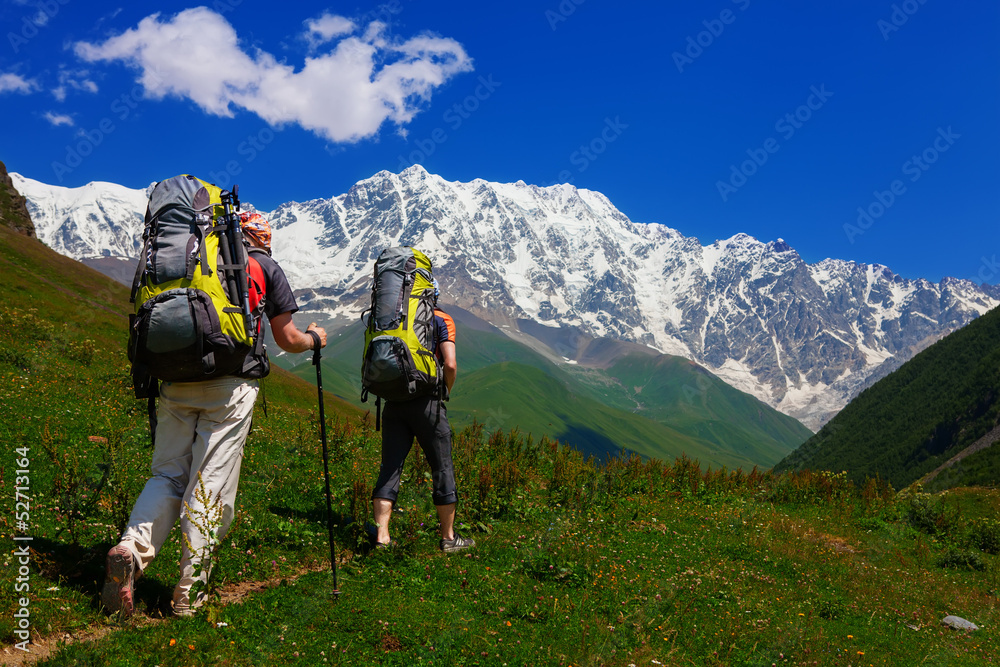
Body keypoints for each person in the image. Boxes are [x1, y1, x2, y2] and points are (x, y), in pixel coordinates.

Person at [102, 211, 327, 617]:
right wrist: (314, 339)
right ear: (264, 238)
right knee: (211, 484)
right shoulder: (262, 265)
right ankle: (190, 595)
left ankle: (129, 551)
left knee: (167, 474)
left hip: (174, 381)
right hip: (230, 385)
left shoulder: (187, 262)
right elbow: (287, 338)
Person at [371, 278, 475, 552]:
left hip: (394, 400)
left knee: (390, 468)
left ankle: (382, 537)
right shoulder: (441, 320)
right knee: (441, 468)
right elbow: (450, 364)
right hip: (428, 402)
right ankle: (449, 538)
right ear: (434, 295)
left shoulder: (392, 319)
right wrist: (445, 391)